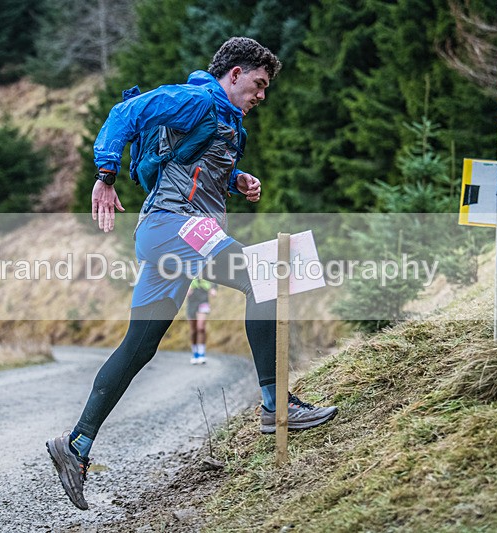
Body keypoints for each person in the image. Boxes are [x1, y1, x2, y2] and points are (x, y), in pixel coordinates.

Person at [46, 37, 337, 511]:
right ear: (236, 73)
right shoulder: (197, 98)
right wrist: (105, 174)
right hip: (173, 225)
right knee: (265, 274)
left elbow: (193, 165)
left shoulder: (224, 119)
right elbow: (126, 115)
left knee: (139, 346)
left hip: (169, 234)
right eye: (259, 84)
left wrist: (236, 177)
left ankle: (76, 444)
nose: (262, 95)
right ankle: (274, 404)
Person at [186, 277, 217, 364]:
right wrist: (185, 289)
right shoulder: (188, 267)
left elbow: (214, 278)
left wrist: (213, 288)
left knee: (201, 327)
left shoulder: (206, 266)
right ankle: (195, 353)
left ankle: (201, 353)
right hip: (192, 301)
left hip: (203, 299)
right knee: (193, 330)